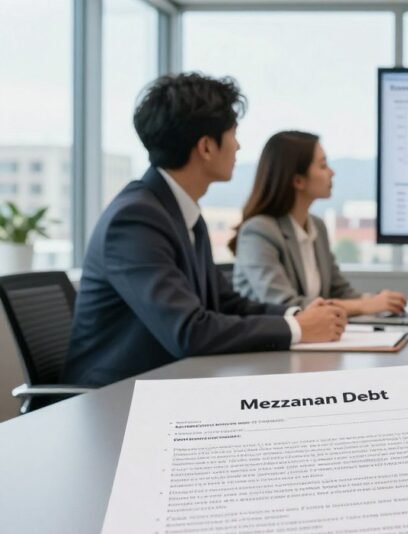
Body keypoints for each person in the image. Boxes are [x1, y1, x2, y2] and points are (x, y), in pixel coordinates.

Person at [64, 73, 347, 387]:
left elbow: (227, 303)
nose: (238, 146)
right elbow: (189, 331)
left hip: (169, 384)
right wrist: (299, 329)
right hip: (114, 400)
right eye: (233, 134)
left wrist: (296, 314)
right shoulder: (134, 220)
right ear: (206, 147)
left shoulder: (182, 214)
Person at [229, 131, 407, 315]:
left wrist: (378, 301)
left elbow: (340, 292)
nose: (332, 172)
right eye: (323, 166)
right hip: (269, 341)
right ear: (298, 180)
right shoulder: (258, 232)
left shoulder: (317, 227)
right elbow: (285, 305)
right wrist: (364, 306)